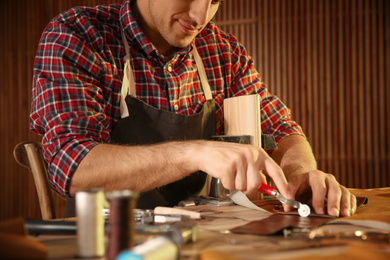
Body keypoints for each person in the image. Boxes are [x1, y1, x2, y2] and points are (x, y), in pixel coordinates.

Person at [30, 0, 356, 217]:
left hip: (204, 240)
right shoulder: (79, 34)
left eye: (213, 0)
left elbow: (282, 129)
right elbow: (73, 168)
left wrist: (300, 174)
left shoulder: (222, 51)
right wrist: (195, 153)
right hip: (111, 243)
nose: (200, 17)